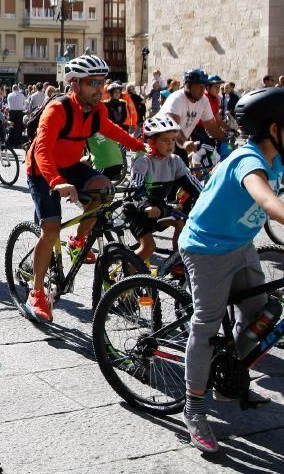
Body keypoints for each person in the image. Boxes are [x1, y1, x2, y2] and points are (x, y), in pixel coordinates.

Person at [177, 87, 284, 453]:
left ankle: (229, 380)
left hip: (240, 245)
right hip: (205, 248)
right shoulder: (248, 160)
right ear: (274, 128)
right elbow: (268, 201)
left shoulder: (277, 158)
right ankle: (193, 408)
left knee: (262, 313)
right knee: (206, 326)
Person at [25, 55, 144, 322]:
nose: (98, 88)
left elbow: (112, 130)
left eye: (101, 82)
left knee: (105, 189)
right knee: (51, 229)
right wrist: (57, 182)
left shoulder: (97, 109)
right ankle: (37, 292)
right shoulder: (57, 109)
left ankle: (78, 240)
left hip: (70, 166)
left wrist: (141, 147)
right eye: (92, 82)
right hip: (42, 171)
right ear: (75, 84)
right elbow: (42, 149)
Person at [127, 115, 202, 269]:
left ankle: (177, 263)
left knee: (180, 223)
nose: (170, 144)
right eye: (165, 140)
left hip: (159, 208)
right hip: (138, 210)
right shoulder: (143, 161)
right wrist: (146, 206)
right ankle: (125, 279)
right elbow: (136, 189)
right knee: (149, 247)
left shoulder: (174, 160)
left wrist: (208, 198)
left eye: (173, 140)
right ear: (151, 141)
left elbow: (192, 183)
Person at [157, 69, 226, 161]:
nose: (202, 90)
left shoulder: (203, 101)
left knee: (184, 173)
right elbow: (172, 125)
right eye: (199, 86)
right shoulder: (176, 98)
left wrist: (226, 140)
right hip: (159, 142)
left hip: (178, 144)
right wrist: (185, 142)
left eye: (204, 86)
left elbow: (212, 127)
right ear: (188, 85)